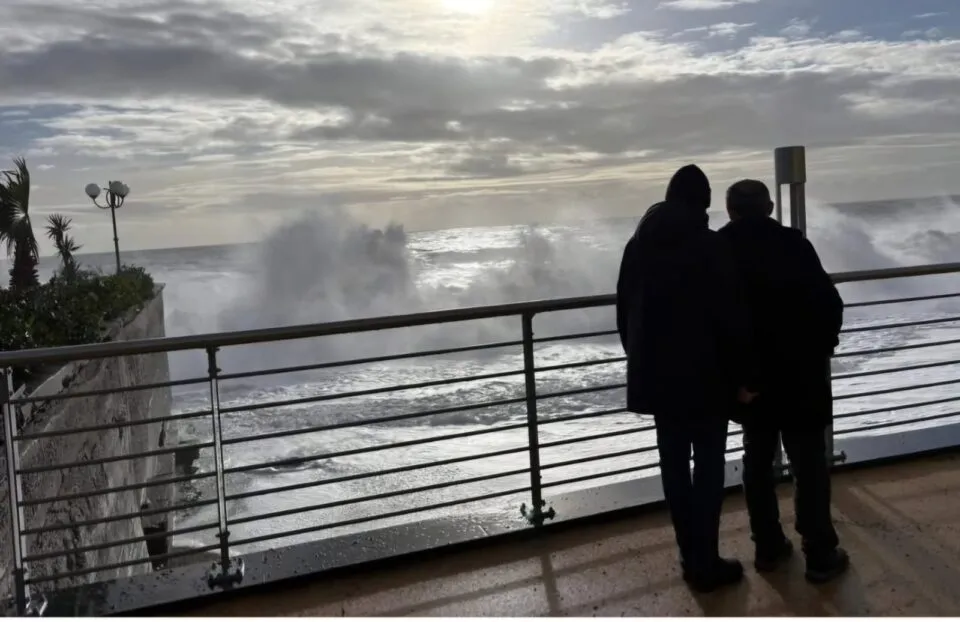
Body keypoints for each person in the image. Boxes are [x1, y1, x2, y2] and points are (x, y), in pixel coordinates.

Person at [616, 164, 757, 593]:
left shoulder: (638, 245)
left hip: (659, 378)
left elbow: (625, 312)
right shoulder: (710, 246)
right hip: (708, 378)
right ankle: (706, 560)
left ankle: (688, 554)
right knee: (708, 467)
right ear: (706, 201)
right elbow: (730, 318)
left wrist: (642, 359)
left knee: (674, 468)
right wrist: (744, 375)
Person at [719, 179, 849, 584]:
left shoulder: (718, 249)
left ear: (729, 210)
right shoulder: (794, 243)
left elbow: (717, 321)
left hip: (751, 384)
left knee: (757, 464)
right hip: (800, 376)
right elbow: (828, 303)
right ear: (770, 206)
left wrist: (736, 378)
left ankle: (768, 547)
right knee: (809, 465)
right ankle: (820, 554)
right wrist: (821, 349)